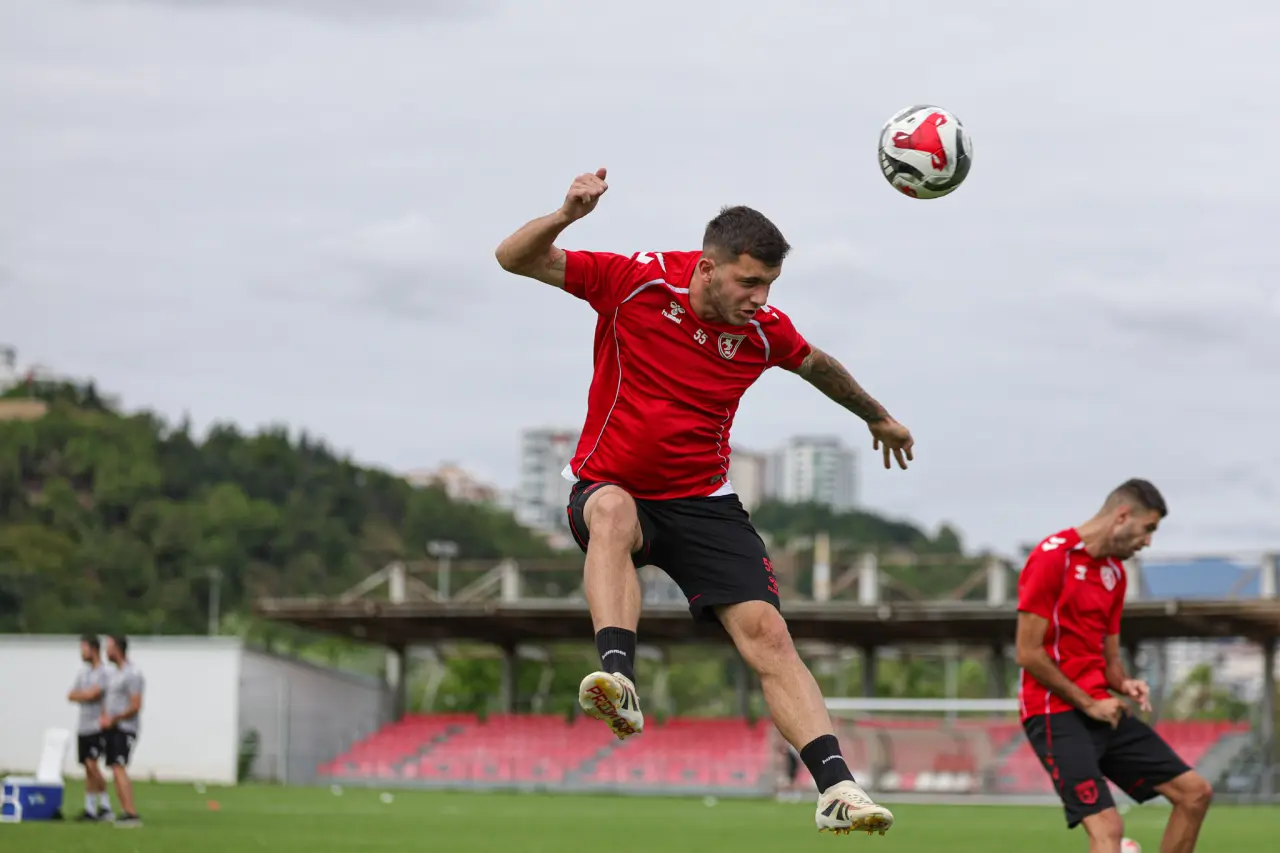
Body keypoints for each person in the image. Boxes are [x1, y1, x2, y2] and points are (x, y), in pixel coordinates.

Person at [495, 168, 915, 836]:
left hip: (704, 502)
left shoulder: (764, 331)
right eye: (749, 282)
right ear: (708, 267)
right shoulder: (636, 281)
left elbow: (818, 365)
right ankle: (617, 679)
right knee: (612, 513)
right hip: (614, 485)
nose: (760, 298)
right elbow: (513, 257)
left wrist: (879, 416)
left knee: (769, 634)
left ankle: (837, 787)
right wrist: (566, 214)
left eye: (770, 284)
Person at [1015, 479, 1214, 852]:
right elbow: (1028, 653)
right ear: (1122, 516)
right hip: (1054, 712)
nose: (1148, 541)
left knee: (1194, 793)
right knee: (1107, 826)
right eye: (1147, 528)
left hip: (1103, 709)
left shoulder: (1115, 574)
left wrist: (1124, 683)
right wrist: (1090, 703)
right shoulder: (1052, 557)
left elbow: (1109, 661)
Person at [66, 633, 114, 822]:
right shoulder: (83, 673)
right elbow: (71, 695)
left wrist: (85, 694)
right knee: (87, 767)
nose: (82, 653)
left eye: (84, 649)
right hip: (83, 726)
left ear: (93, 650)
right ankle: (90, 808)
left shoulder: (105, 672)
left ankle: (106, 806)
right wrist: (85, 694)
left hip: (97, 726)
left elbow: (95, 694)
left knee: (93, 765)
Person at [101, 635, 146, 828]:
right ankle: (125, 811)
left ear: (118, 649)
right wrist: (105, 717)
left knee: (119, 766)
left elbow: (136, 704)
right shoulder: (113, 674)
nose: (106, 651)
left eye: (109, 647)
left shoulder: (132, 674)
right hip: (112, 728)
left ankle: (131, 813)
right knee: (114, 767)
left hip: (124, 728)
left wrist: (115, 718)